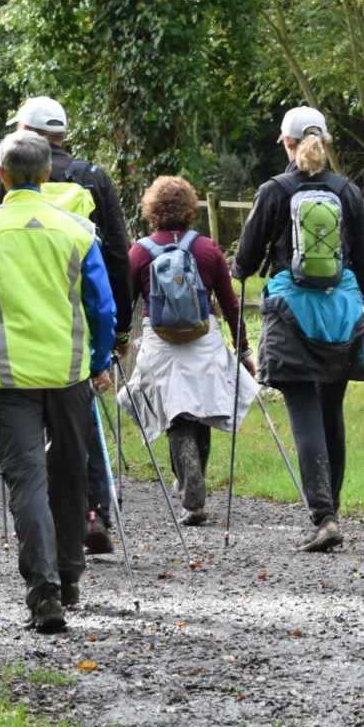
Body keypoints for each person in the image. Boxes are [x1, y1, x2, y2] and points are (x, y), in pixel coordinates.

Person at [0, 131, 116, 633]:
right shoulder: (78, 230)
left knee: (26, 480)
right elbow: (102, 307)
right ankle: (69, 574)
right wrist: (100, 356)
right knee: (68, 472)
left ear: (1, 177)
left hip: (9, 374)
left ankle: (43, 592)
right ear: (47, 175)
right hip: (69, 373)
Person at [231, 107, 364, 553]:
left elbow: (244, 263)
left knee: (303, 409)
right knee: (331, 410)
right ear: (325, 141)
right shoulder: (349, 192)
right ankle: (331, 511)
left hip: (292, 314)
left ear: (286, 142)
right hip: (341, 313)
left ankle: (324, 517)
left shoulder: (274, 191)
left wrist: (240, 267)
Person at [0, 96, 132, 554]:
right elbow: (118, 255)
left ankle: (44, 519)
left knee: (25, 435)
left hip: (20, 324)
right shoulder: (94, 178)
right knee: (80, 425)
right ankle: (92, 512)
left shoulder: (2, 174)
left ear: (24, 131)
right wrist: (119, 330)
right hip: (79, 318)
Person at [122, 176, 258, 525]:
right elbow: (230, 304)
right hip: (203, 339)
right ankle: (194, 483)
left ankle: (187, 487)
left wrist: (119, 341)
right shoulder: (208, 249)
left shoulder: (139, 251)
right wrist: (243, 351)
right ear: (190, 208)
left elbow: (125, 304)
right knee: (202, 411)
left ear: (151, 210)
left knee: (174, 414)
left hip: (161, 342)